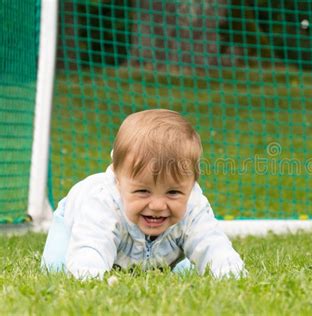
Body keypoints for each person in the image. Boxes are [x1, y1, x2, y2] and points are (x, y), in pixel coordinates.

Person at [41, 109, 245, 279]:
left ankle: (168, 263)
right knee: (57, 268)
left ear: (191, 186)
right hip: (76, 221)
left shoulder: (193, 206)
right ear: (118, 181)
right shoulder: (102, 204)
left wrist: (230, 274)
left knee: (181, 272)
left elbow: (211, 242)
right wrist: (89, 277)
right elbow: (90, 247)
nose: (157, 205)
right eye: (142, 191)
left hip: (154, 248)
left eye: (173, 192)